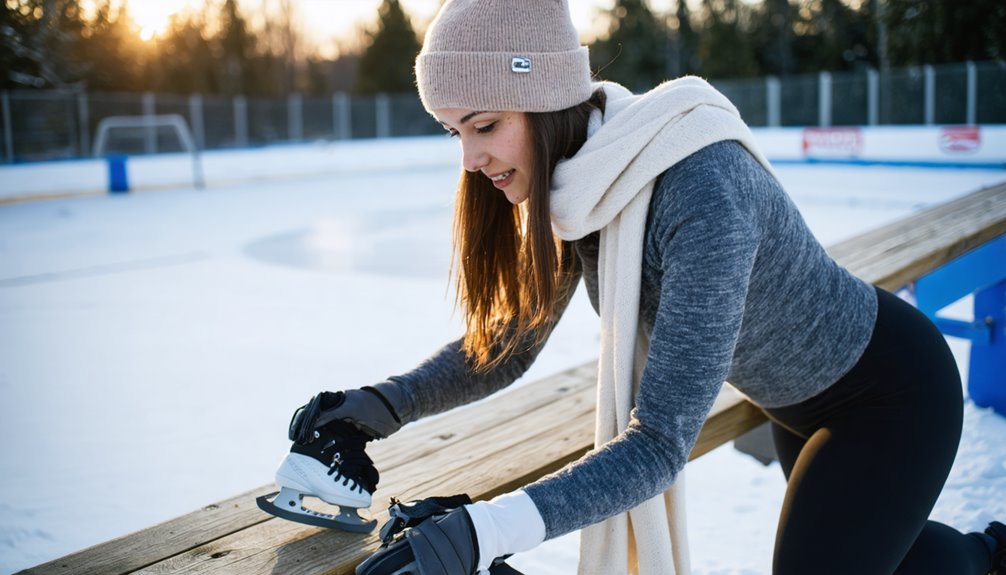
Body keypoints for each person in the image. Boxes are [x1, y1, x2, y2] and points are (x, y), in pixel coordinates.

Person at [285, 1, 1006, 574]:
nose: (472, 159)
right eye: (454, 133)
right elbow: (507, 344)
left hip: (888, 397)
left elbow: (659, 443)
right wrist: (376, 408)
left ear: (544, 97)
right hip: (792, 403)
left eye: (485, 126)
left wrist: (484, 529)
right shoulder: (580, 185)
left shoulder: (699, 189)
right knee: (888, 556)